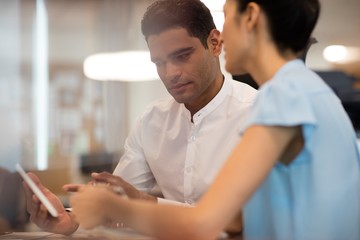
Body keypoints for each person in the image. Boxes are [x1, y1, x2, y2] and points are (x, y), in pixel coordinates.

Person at [70, 0, 360, 239]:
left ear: (251, 18)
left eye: (227, 15)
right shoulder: (308, 90)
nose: (222, 35)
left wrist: (113, 206)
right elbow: (232, 219)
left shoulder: (284, 96)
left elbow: (201, 224)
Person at [23, 0, 257, 236]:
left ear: (214, 44)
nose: (170, 73)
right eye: (159, 62)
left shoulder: (256, 113)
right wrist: (71, 219)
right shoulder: (151, 121)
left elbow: (239, 221)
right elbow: (116, 204)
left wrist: (142, 204)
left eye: (182, 56)